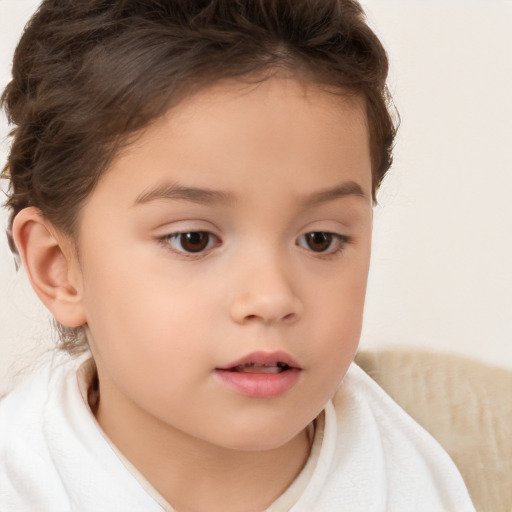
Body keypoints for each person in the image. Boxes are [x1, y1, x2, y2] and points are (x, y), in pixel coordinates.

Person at [0, 1, 474, 511]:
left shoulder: (409, 483)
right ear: (60, 269)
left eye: (320, 239)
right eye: (193, 240)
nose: (271, 298)